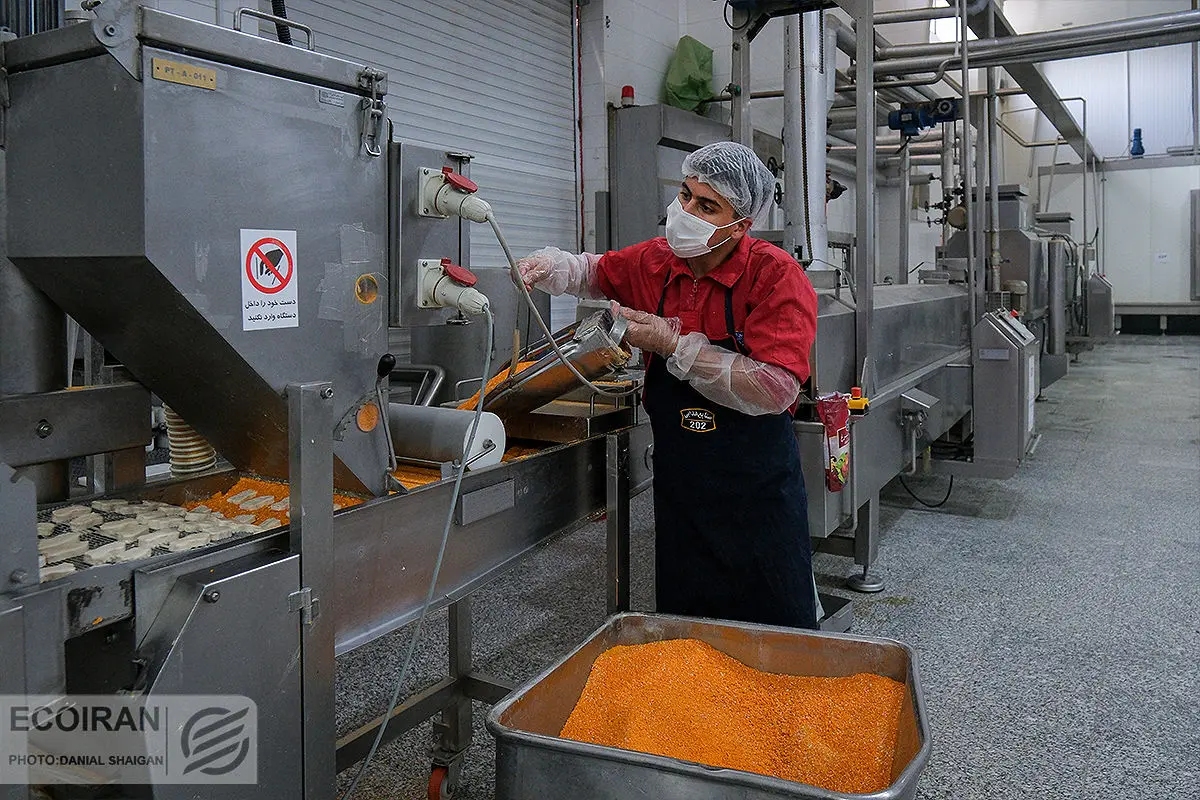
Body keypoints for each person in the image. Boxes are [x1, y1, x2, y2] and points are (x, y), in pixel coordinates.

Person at [517, 141, 819, 629]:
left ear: (740, 225)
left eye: (707, 206)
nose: (686, 211)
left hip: (757, 488)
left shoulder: (775, 276)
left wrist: (674, 345)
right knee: (685, 620)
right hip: (683, 481)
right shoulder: (657, 261)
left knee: (773, 624)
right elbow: (594, 273)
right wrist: (553, 266)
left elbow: (775, 387)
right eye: (685, 194)